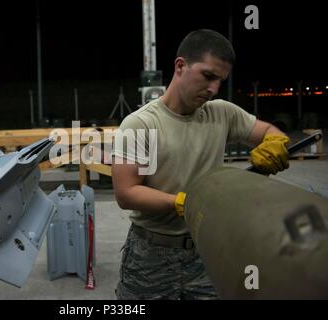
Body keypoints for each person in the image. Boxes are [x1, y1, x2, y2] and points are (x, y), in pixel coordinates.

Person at [111, 29, 290, 300]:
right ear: (180, 66)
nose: (214, 89)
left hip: (208, 250)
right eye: (208, 76)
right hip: (151, 256)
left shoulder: (222, 114)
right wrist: (182, 202)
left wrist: (275, 143)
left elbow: (269, 132)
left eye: (220, 80)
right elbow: (126, 193)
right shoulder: (140, 124)